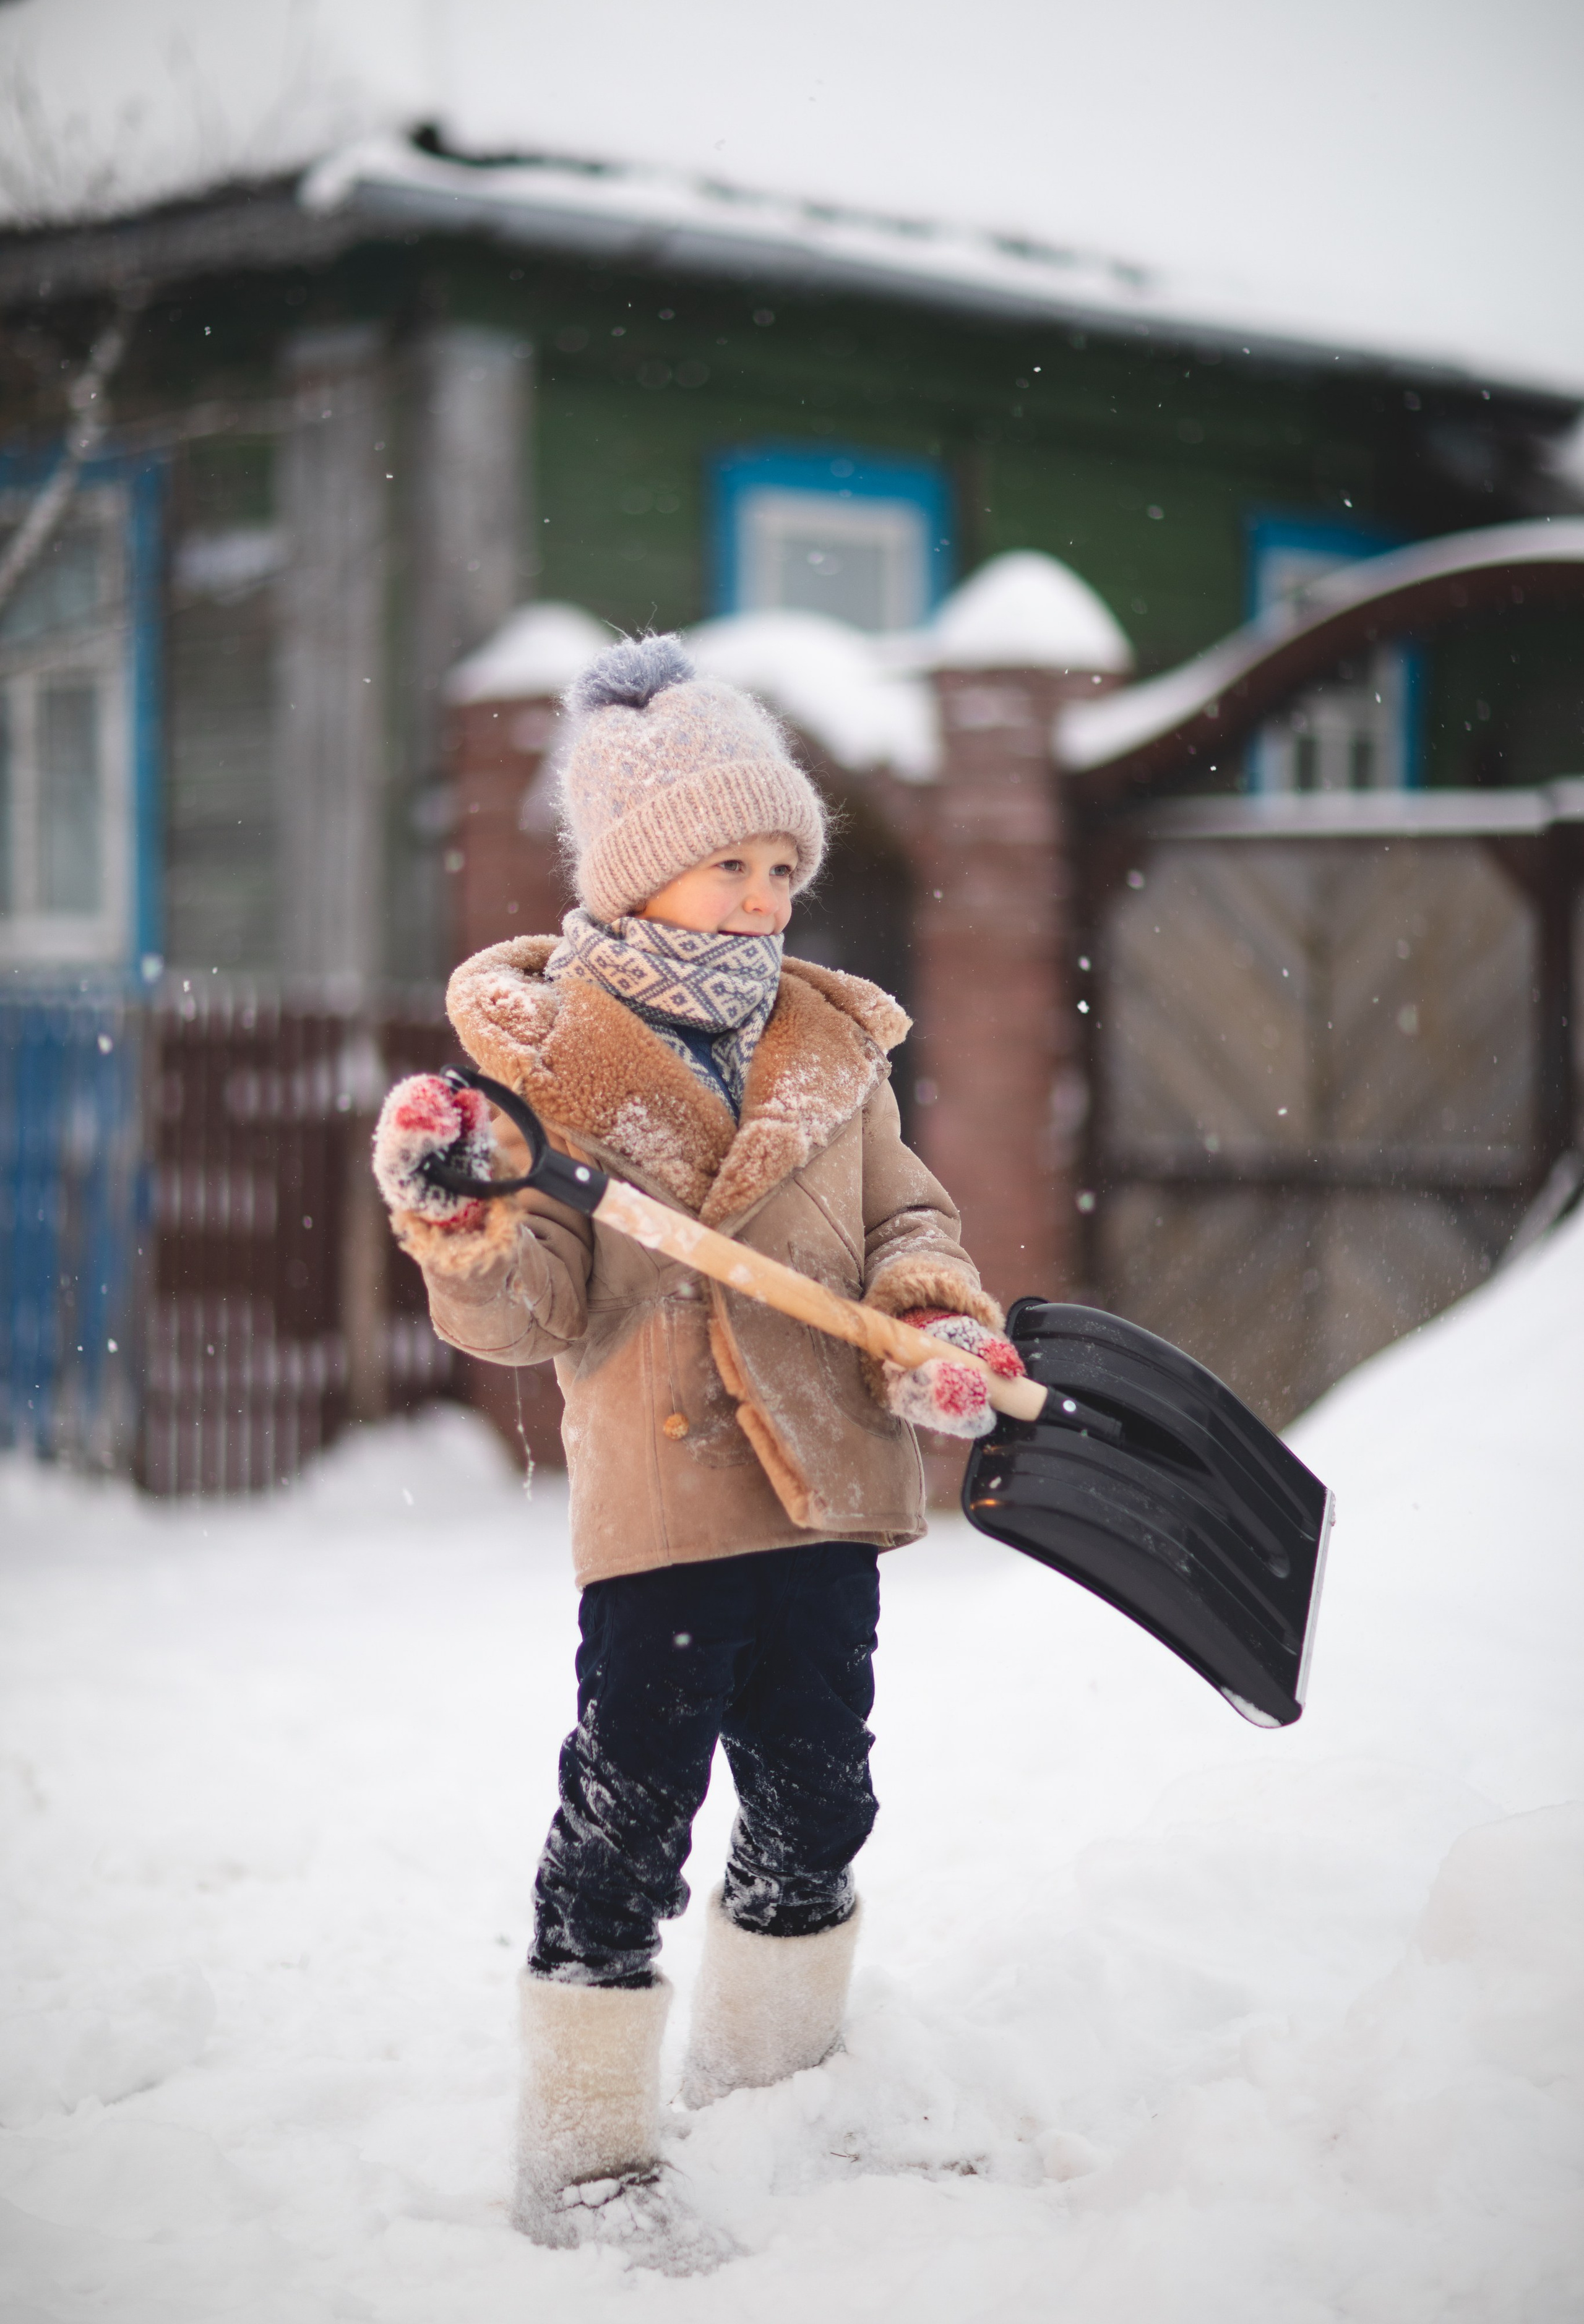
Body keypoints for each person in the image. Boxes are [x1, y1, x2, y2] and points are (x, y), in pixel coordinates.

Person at [371, 635, 1018, 2266]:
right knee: (632, 1807)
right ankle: (587, 2149)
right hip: (666, 1504)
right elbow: (529, 1313)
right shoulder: (552, 1071)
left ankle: (771, 2087)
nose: (762, 894)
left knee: (821, 1796)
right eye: (728, 863)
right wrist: (460, 1229)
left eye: (783, 864)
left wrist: (936, 1324)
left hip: (828, 1487)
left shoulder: (832, 1050)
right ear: (640, 873)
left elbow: (907, 1222)